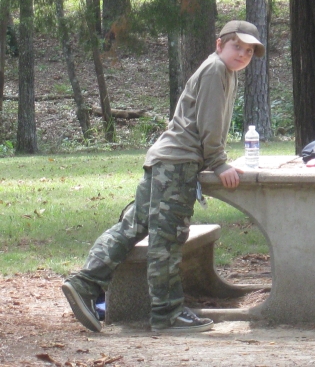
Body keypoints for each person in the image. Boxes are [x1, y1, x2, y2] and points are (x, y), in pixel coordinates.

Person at [62, 20, 265, 333]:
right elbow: (209, 122)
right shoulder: (216, 70)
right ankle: (167, 314)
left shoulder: (224, 71)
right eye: (236, 46)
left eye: (249, 51)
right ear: (219, 44)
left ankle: (84, 284)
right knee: (167, 238)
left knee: (133, 225)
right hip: (178, 163)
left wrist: (217, 160)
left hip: (165, 159)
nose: (242, 54)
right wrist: (218, 162)